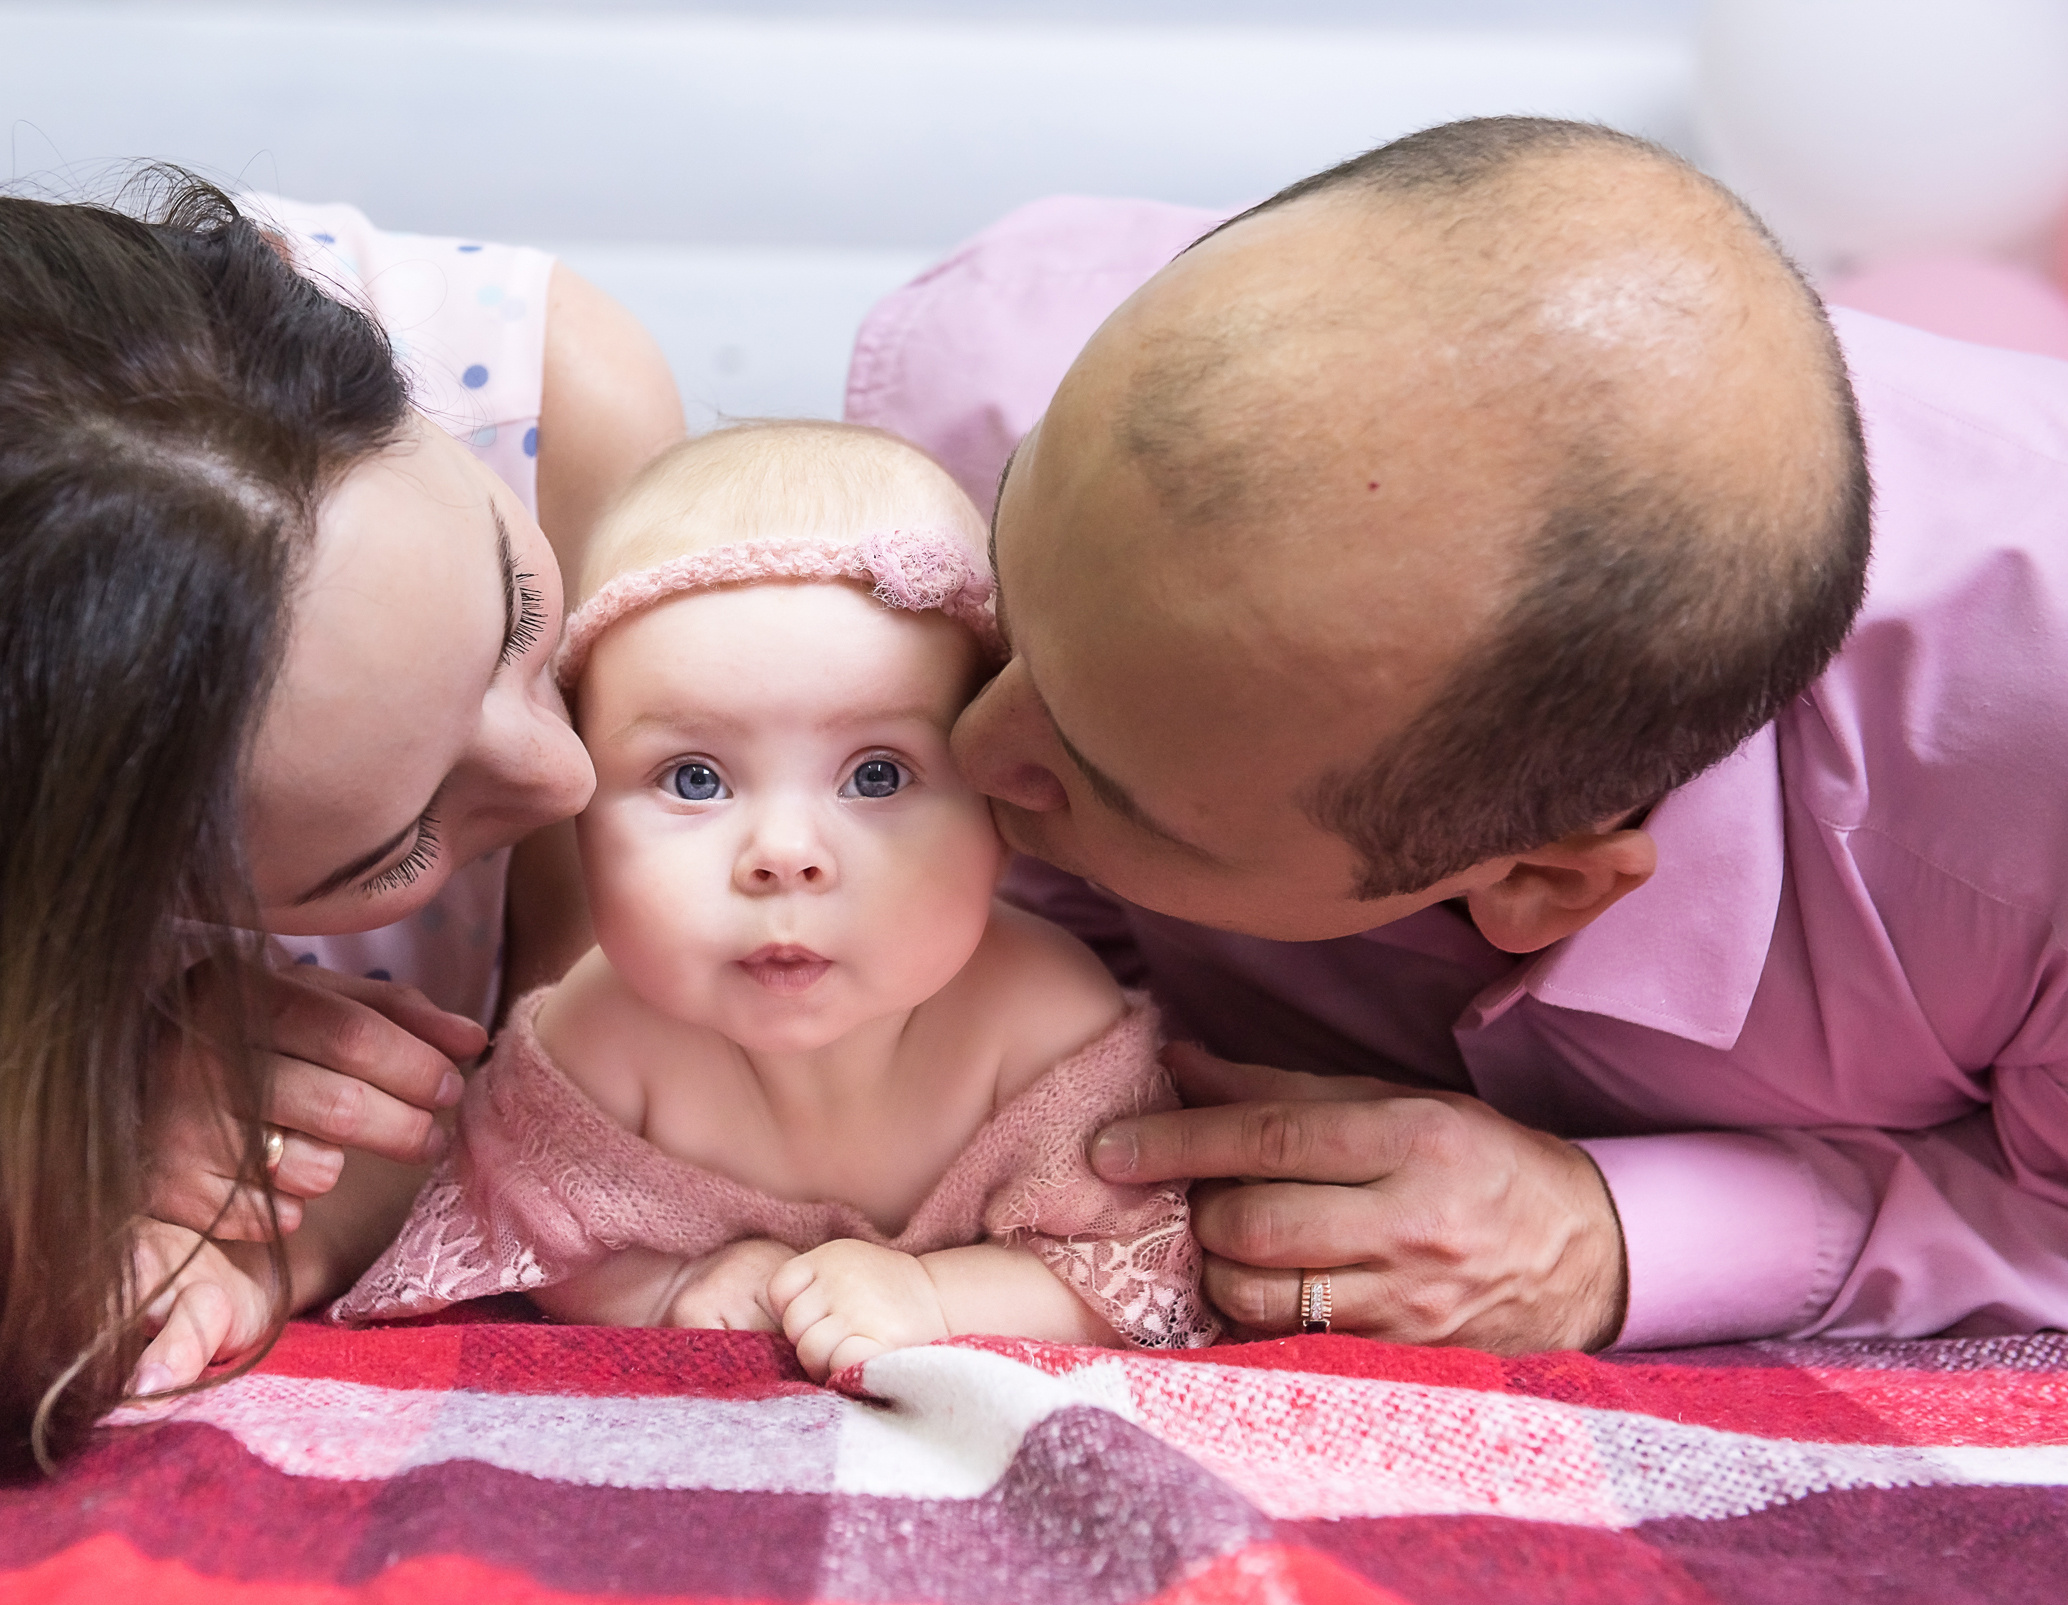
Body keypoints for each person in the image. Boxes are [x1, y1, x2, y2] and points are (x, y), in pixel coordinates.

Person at [852, 114, 2068, 1354]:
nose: (960, 743)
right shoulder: (976, 404)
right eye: (1014, 592)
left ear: (1541, 881)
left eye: (1105, 781)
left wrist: (1618, 1241)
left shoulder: (2038, 800)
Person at [0, 172, 678, 1506]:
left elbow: (610, 1111)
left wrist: (292, 1206)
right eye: (389, 852)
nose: (571, 781)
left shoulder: (559, 402)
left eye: (515, 612)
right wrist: (73, 1130)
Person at [332, 422, 1218, 1378]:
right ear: (581, 805)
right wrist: (668, 1288)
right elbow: (531, 1232)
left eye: (876, 775)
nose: (783, 856)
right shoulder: (595, 1045)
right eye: (696, 777)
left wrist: (932, 1295)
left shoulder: (1047, 1028)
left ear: (998, 805)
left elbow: (1139, 1277)